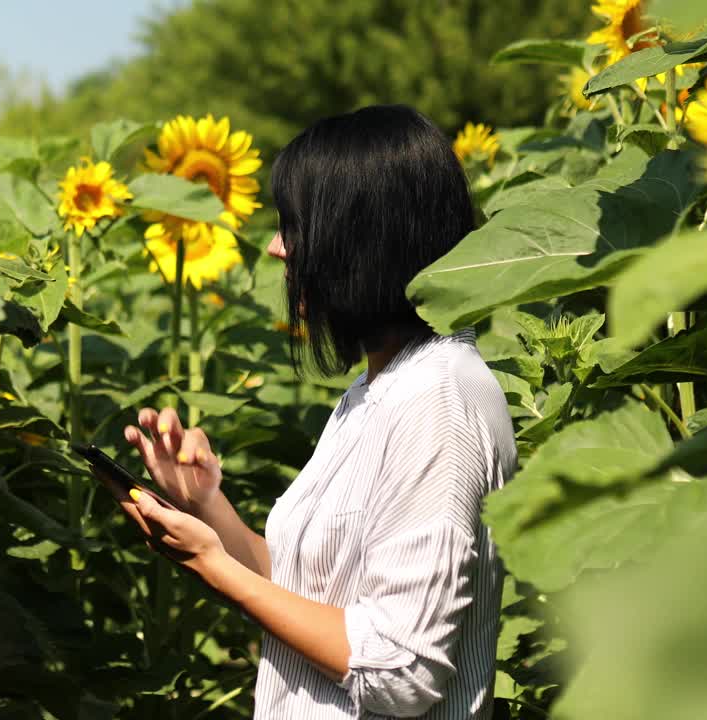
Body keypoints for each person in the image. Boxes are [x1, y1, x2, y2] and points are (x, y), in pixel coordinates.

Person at [98, 104, 517, 719]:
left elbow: (402, 670)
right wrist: (207, 508)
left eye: (295, 228)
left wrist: (215, 567)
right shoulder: (378, 391)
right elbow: (313, 595)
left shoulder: (438, 403)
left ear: (359, 245)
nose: (276, 249)